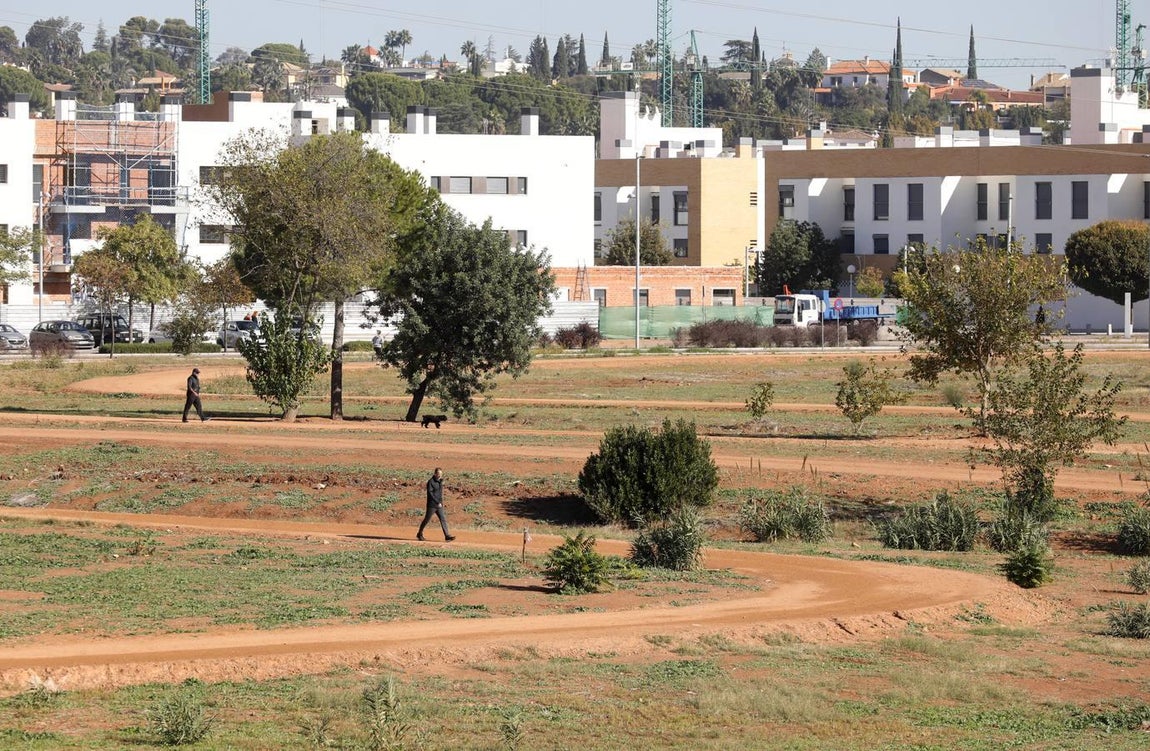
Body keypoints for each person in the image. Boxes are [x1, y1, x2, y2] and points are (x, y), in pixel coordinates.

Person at [417, 467, 454, 541]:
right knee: (427, 519)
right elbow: (430, 494)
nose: (440, 475)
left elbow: (439, 493)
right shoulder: (431, 482)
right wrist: (437, 502)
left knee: (443, 519)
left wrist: (441, 502)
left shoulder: (440, 481)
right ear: (435, 474)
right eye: (438, 474)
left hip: (439, 505)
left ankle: (447, 535)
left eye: (441, 474)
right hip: (432, 505)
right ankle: (419, 533)